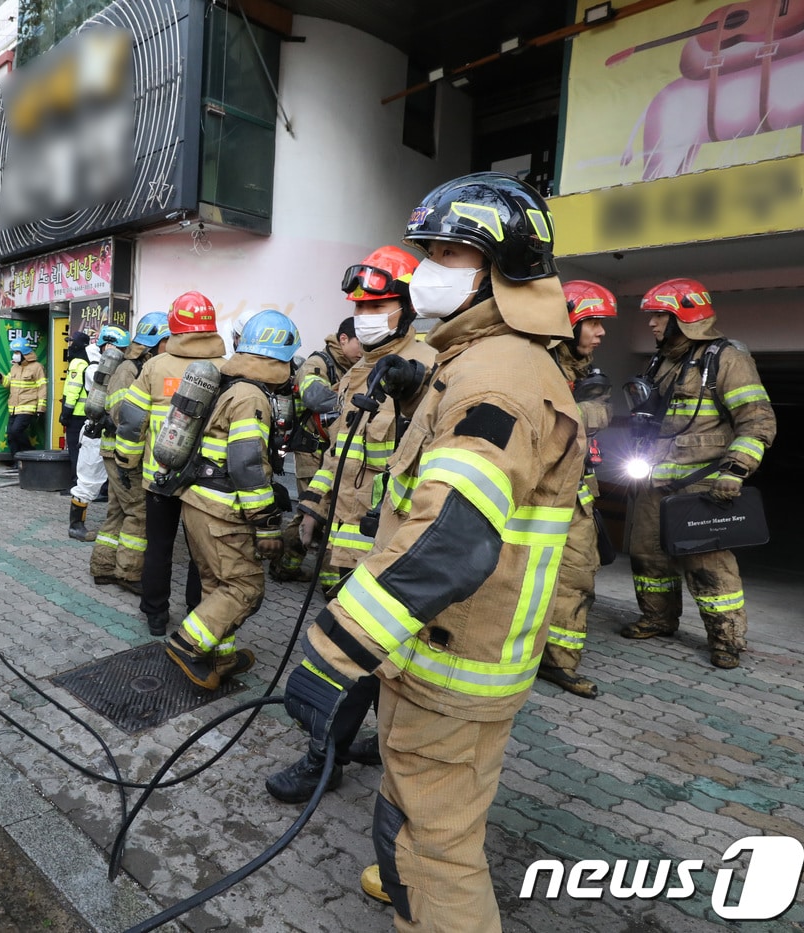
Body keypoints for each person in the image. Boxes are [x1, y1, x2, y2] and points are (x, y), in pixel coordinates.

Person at [275, 173, 584, 928]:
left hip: (455, 663)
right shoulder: (479, 362)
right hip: (441, 654)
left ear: (504, 268)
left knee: (435, 850)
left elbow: (451, 543)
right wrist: (418, 396)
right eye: (429, 251)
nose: (428, 270)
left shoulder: (500, 376)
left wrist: (335, 649)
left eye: (450, 252)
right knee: (409, 819)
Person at [267, 246, 432, 802]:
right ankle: (358, 744)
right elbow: (338, 458)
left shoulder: (428, 371)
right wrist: (312, 507)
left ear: (407, 306)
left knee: (358, 655)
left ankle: (325, 758)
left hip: (391, 550)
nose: (364, 315)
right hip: (348, 548)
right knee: (363, 655)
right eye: (358, 304)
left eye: (378, 303)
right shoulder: (360, 370)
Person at [621, 277, 776, 669]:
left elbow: (757, 419)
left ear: (685, 317)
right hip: (654, 481)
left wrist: (736, 470)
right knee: (647, 556)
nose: (652, 324)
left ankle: (726, 640)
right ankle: (658, 618)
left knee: (708, 567)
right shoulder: (660, 362)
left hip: (702, 485)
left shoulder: (726, 359)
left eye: (660, 315)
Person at [164, 310, 300, 689]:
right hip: (223, 511)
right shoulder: (251, 397)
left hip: (198, 502)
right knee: (244, 588)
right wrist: (266, 523)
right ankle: (187, 644)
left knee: (215, 583)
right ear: (279, 357)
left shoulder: (227, 381)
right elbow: (247, 465)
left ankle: (221, 657)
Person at [116, 291, 224, 637]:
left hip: (159, 477)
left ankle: (155, 614)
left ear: (174, 326)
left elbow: (132, 421)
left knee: (159, 547)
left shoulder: (154, 366)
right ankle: (197, 611)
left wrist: (126, 459)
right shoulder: (225, 370)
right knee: (199, 554)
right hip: (205, 482)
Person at [538, 280, 618, 698]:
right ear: (567, 322)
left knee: (575, 576)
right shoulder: (534, 365)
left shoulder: (585, 373)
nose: (601, 332)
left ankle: (559, 662)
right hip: (530, 494)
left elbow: (598, 414)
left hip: (576, 497)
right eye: (592, 322)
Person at [273, 316, 363, 582]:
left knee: (329, 514)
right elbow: (315, 397)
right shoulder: (318, 364)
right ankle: (309, 576)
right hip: (313, 454)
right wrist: (355, 398)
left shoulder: (357, 366)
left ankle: (294, 568)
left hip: (337, 454)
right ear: (343, 339)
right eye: (361, 343)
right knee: (312, 512)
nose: (365, 349)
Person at [91, 313, 169, 593]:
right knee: (139, 511)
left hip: (122, 451)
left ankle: (103, 568)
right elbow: (122, 414)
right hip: (121, 452)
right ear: (155, 343)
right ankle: (129, 574)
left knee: (117, 511)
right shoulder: (128, 369)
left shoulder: (141, 366)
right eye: (168, 340)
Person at [68, 328, 115, 541]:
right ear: (104, 345)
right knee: (88, 477)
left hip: (116, 430)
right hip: (96, 430)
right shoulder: (93, 368)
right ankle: (76, 525)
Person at [1, 336, 47, 475]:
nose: (14, 355)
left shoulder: (37, 367)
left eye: (16, 352)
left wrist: (41, 408)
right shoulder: (14, 367)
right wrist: (0, 378)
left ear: (24, 353)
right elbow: (8, 383)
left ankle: (30, 455)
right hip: (14, 407)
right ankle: (17, 462)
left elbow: (42, 388)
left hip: (28, 407)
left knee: (16, 431)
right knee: (10, 435)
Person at [61, 330, 92, 469]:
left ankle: (75, 483)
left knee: (75, 449)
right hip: (85, 413)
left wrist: (66, 412)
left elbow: (73, 389)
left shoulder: (77, 363)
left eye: (72, 341)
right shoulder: (87, 360)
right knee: (83, 450)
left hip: (76, 414)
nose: (70, 345)